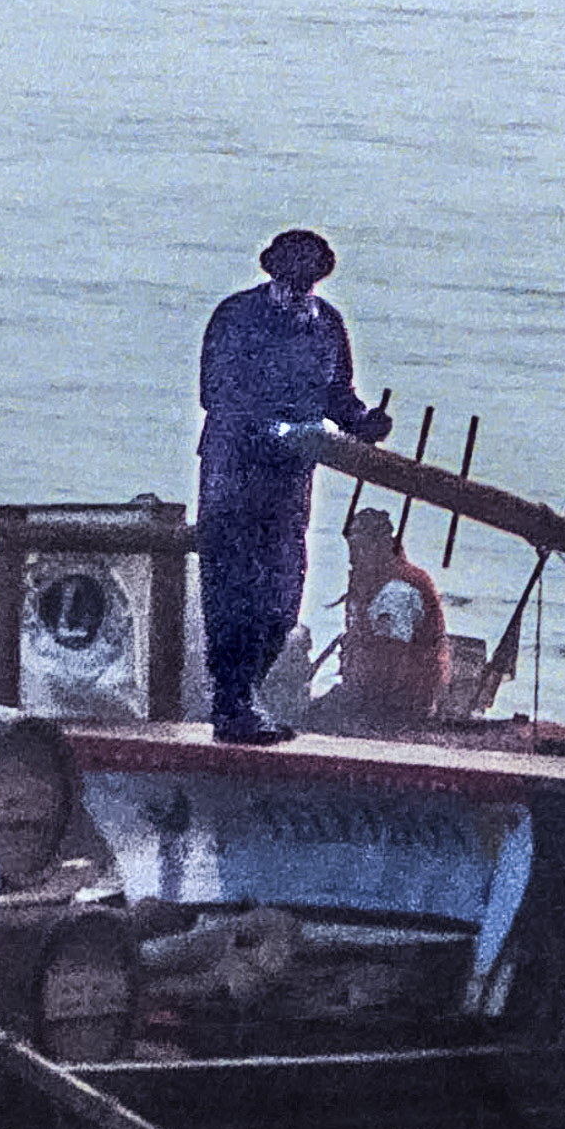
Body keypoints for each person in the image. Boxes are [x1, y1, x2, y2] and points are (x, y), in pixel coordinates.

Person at [196, 227, 390, 743]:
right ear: (272, 274)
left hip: (288, 483)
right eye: (290, 281)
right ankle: (232, 704)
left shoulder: (326, 325)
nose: (298, 292)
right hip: (232, 476)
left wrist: (362, 422)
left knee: (282, 598)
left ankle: (248, 696)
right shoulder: (235, 317)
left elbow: (337, 395)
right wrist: (275, 430)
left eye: (307, 283)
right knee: (234, 594)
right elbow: (216, 394)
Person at [328, 509, 453, 729]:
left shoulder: (397, 591)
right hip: (375, 697)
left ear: (381, 545)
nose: (352, 558)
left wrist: (365, 709)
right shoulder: (373, 582)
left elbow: (394, 660)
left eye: (359, 548)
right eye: (351, 548)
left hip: (401, 706)